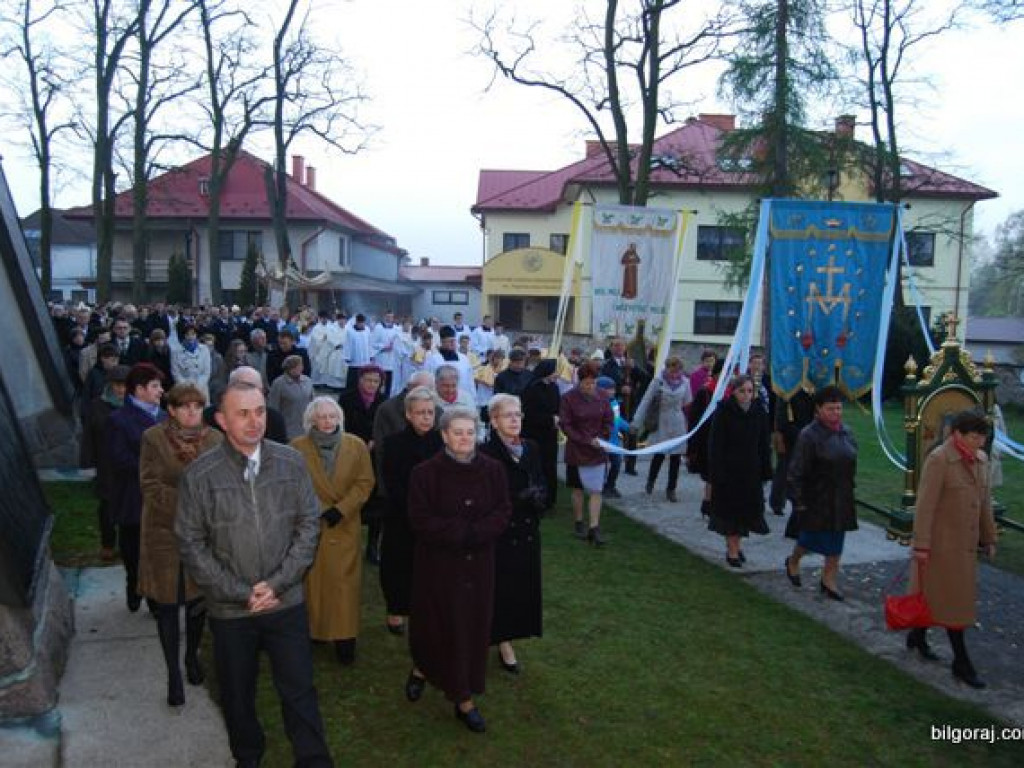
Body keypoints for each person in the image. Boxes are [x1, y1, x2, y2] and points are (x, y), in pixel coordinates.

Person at [176, 381, 332, 768]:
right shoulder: (200, 475)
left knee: (299, 690)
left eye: (260, 411)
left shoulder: (291, 462)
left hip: (285, 602)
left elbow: (308, 525)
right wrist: (241, 592)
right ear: (221, 420)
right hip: (232, 611)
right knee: (237, 695)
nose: (254, 421)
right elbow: (191, 543)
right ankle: (247, 757)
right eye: (242, 413)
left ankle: (313, 760)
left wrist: (277, 584)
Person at [405, 407, 511, 734]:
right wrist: (460, 534)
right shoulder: (424, 473)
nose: (465, 438)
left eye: (470, 432)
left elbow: (502, 510)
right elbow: (420, 518)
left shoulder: (493, 470)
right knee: (436, 624)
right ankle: (423, 667)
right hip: (438, 565)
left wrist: (477, 534)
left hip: (479, 566)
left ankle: (463, 697)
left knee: (470, 628)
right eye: (458, 432)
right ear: (444, 436)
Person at [138, 383, 222, 706]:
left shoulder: (215, 440)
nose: (192, 412)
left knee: (198, 600)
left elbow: (222, 483)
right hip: (164, 532)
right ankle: (173, 673)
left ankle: (191, 656)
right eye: (185, 407)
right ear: (171, 410)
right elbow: (150, 484)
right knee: (168, 604)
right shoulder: (154, 438)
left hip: (202, 535)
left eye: (197, 407)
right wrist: (190, 505)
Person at [906, 410, 997, 688]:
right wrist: (921, 545)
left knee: (938, 596)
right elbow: (925, 506)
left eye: (982, 437)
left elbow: (984, 502)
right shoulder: (939, 460)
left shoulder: (981, 460)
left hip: (964, 547)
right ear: (957, 434)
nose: (979, 442)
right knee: (954, 605)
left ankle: (918, 635)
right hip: (940, 547)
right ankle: (961, 662)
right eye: (974, 437)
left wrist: (989, 537)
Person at [292, 397, 375, 665]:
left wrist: (342, 509)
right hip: (311, 526)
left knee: (344, 586)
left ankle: (344, 638)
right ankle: (315, 631)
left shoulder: (356, 445)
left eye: (332, 416)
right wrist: (318, 508)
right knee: (313, 585)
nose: (327, 422)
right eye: (322, 417)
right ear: (311, 420)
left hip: (344, 526)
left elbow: (365, 482)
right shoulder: (297, 448)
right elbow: (293, 483)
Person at [481, 394, 544, 674]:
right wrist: (517, 498)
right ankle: (498, 640)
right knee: (498, 589)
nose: (515, 420)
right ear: (494, 421)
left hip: (527, 530)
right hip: (501, 532)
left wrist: (539, 496)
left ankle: (507, 638)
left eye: (518, 414)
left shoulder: (531, 447)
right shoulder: (485, 453)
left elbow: (541, 478)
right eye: (508, 415)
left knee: (520, 589)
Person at [784, 385, 858, 600]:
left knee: (836, 540)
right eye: (830, 409)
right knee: (809, 539)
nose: (836, 413)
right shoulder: (809, 435)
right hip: (816, 496)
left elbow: (851, 460)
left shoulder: (846, 432)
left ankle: (829, 579)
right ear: (818, 409)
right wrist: (798, 499)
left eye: (839, 408)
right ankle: (793, 561)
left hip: (841, 495)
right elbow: (796, 470)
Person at [380, 386, 443, 635]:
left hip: (435, 515)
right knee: (398, 564)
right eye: (420, 413)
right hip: (401, 514)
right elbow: (392, 482)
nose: (426, 417)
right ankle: (396, 609)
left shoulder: (442, 442)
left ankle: (427, 607)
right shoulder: (393, 443)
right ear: (408, 414)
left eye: (430, 412)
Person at [107, 363, 167, 611]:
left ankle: (155, 598)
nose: (161, 390)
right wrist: (153, 467)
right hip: (134, 497)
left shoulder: (164, 417)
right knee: (134, 550)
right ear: (139, 390)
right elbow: (119, 458)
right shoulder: (118, 420)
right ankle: (134, 582)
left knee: (157, 550)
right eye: (155, 386)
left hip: (162, 498)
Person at [707, 374, 772, 567]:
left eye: (750, 391)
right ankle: (732, 551)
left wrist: (766, 469)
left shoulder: (759, 412)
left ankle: (735, 545)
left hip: (751, 471)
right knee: (731, 513)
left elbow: (764, 443)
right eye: (742, 391)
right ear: (734, 392)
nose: (746, 395)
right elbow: (716, 444)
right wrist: (716, 472)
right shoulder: (724, 412)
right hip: (729, 471)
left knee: (745, 512)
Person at [559, 360, 613, 545]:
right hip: (577, 449)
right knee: (578, 488)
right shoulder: (568, 398)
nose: (590, 387)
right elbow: (565, 424)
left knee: (597, 489)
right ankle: (579, 522)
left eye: (593, 383)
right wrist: (584, 440)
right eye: (587, 383)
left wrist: (602, 437)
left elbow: (609, 420)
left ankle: (594, 527)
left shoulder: (603, 396)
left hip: (597, 448)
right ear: (579, 381)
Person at [338, 365, 388, 565]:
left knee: (376, 503)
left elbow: (386, 428)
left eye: (376, 381)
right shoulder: (347, 399)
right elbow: (341, 426)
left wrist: (375, 440)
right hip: (351, 453)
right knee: (351, 497)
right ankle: (349, 545)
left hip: (375, 457)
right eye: (368, 380)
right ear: (360, 380)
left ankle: (372, 547)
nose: (372, 384)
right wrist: (357, 443)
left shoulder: (383, 401)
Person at [81, 364, 130, 562]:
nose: (121, 389)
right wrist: (88, 464)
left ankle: (127, 545)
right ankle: (108, 544)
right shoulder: (97, 405)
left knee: (129, 506)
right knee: (107, 506)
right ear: (110, 385)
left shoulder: (135, 405)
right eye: (118, 385)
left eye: (125, 385)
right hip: (106, 463)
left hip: (129, 464)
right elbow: (88, 436)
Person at [630, 356, 694, 502]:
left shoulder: (685, 382)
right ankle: (651, 481)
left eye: (678, 369)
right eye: (672, 369)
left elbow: (687, 401)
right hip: (661, 421)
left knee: (676, 457)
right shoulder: (658, 381)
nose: (675, 373)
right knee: (659, 454)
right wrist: (636, 422)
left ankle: (671, 489)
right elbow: (646, 401)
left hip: (677, 421)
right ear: (667, 367)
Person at [600, 337, 649, 476]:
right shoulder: (607, 366)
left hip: (630, 404)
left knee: (631, 433)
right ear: (611, 348)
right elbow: (603, 383)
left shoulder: (630, 363)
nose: (619, 348)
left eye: (621, 345)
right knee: (611, 432)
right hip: (612, 405)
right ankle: (610, 461)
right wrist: (619, 389)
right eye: (616, 345)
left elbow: (646, 379)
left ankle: (630, 464)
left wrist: (634, 370)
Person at [521, 359, 561, 509]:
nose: (557, 374)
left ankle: (550, 499)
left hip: (550, 434)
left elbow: (558, 407)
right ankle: (537, 498)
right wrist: (550, 419)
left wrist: (557, 418)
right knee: (537, 466)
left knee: (550, 466)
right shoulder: (532, 389)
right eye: (554, 371)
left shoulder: (554, 387)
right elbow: (529, 414)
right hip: (535, 434)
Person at [595, 377, 629, 499]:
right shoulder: (597, 404)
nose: (613, 391)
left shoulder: (614, 403)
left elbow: (617, 419)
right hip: (603, 441)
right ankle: (601, 487)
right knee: (602, 466)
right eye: (610, 389)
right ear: (601, 390)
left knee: (616, 464)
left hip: (614, 442)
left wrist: (628, 427)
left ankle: (611, 486)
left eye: (613, 389)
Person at [269, 354, 315, 440]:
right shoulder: (278, 383)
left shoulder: (308, 381)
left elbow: (313, 402)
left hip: (306, 427)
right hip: (288, 428)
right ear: (289, 368)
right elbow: (273, 406)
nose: (300, 368)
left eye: (301, 366)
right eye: (297, 366)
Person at [171, 324, 212, 400]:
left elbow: (206, 371)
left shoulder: (204, 349)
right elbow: (175, 372)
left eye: (193, 334)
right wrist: (187, 386)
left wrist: (198, 385)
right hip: (183, 389)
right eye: (188, 334)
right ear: (184, 336)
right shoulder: (176, 351)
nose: (190, 337)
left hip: (201, 388)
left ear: (196, 335)